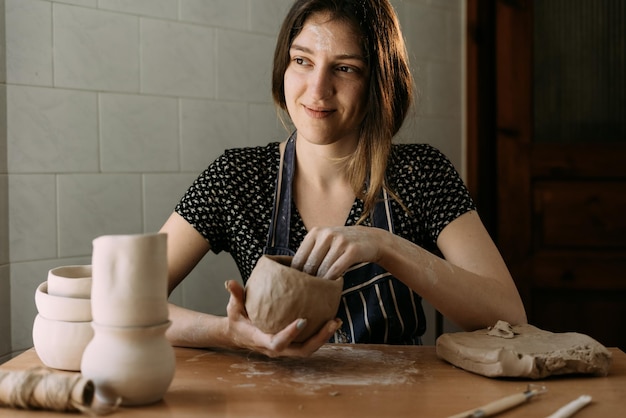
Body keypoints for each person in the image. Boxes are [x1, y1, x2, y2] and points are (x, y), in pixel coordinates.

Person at [160, 0, 527, 358]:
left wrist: (386, 246)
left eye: (346, 69)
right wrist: (230, 334)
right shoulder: (236, 177)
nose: (317, 90)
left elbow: (509, 316)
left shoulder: (421, 173)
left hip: (400, 400)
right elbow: (117, 305)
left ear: (379, 81)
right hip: (275, 400)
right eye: (302, 61)